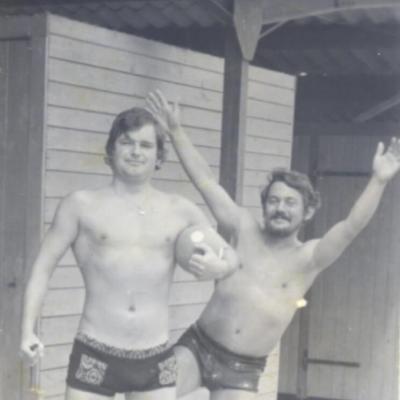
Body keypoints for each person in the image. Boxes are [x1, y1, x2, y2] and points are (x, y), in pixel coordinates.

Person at [146, 90, 400, 400]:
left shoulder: (309, 257)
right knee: (151, 394)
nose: (280, 208)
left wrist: (378, 181)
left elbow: (351, 227)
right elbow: (206, 181)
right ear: (264, 205)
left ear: (307, 212)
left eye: (291, 203)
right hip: (198, 347)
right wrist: (176, 131)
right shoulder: (243, 226)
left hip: (242, 371)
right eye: (274, 200)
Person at [20, 107, 239, 400]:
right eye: (127, 142)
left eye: (146, 145)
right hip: (95, 351)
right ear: (111, 149)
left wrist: (219, 268)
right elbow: (42, 269)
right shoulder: (80, 205)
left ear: (159, 156)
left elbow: (230, 256)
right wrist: (27, 330)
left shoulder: (180, 210)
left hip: (155, 357)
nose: (136, 152)